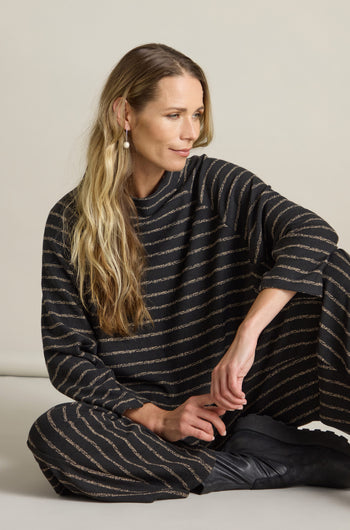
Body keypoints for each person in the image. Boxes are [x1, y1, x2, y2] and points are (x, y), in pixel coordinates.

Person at [27, 43, 350, 502]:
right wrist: (158, 417)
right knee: (57, 434)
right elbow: (66, 355)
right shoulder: (70, 222)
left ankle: (252, 445)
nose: (191, 133)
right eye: (174, 115)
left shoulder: (213, 183)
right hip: (156, 421)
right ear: (125, 113)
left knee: (334, 274)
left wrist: (246, 336)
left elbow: (313, 232)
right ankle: (268, 462)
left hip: (244, 391)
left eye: (197, 115)